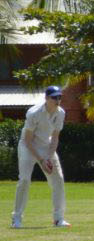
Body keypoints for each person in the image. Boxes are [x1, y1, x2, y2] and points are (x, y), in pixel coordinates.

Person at [13, 86, 69, 228]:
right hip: (28, 146)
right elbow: (27, 140)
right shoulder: (34, 113)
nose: (57, 100)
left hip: (46, 147)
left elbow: (55, 138)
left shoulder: (61, 113)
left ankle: (58, 219)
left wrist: (48, 157)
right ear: (46, 98)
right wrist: (42, 160)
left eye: (59, 97)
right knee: (24, 180)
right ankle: (17, 219)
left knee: (58, 179)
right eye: (54, 97)